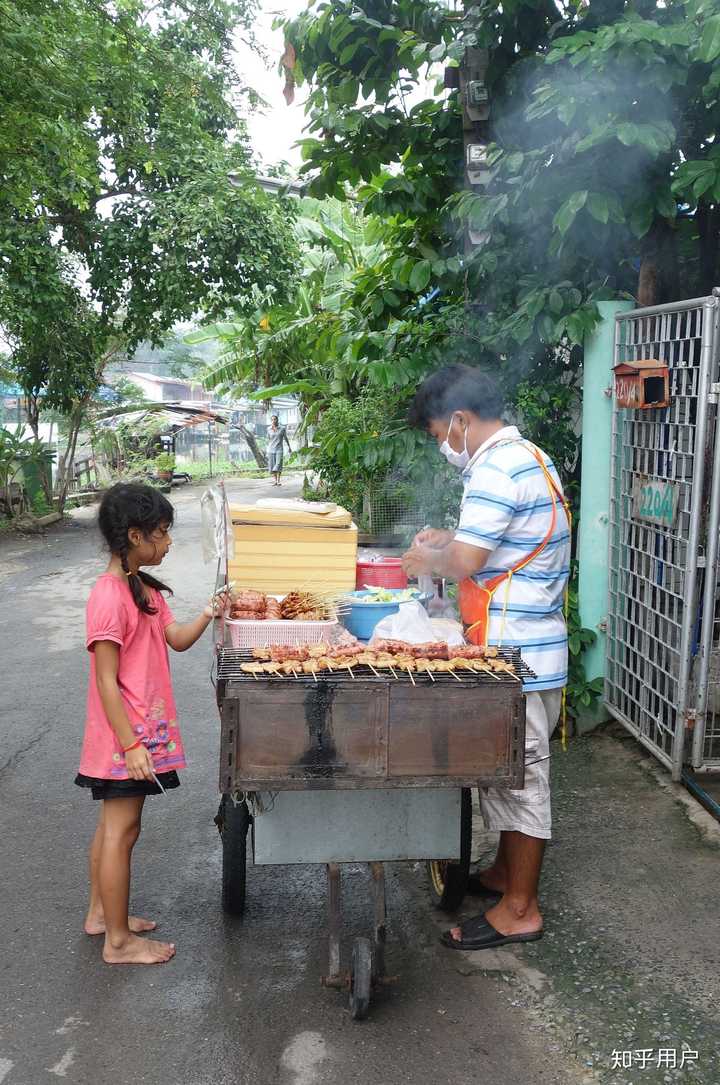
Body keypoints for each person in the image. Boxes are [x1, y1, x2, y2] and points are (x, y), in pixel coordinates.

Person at [401, 365, 570, 952]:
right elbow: (496, 545)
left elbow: (471, 562)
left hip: (517, 653)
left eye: (438, 435)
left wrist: (429, 559)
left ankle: (520, 908)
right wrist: (444, 537)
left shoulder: (497, 466)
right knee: (508, 767)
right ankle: (502, 875)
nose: (443, 447)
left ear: (459, 421)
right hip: (532, 646)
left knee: (520, 776)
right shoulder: (529, 456)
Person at [75, 483, 226, 965]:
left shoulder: (143, 590)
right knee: (122, 830)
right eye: (161, 533)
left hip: (138, 735)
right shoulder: (109, 596)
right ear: (134, 536)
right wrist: (130, 743)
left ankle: (102, 914)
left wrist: (208, 612)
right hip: (127, 739)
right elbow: (105, 680)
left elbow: (176, 640)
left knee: (113, 828)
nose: (167, 541)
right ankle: (118, 943)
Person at [267, 414, 292, 486]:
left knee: (278, 464)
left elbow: (286, 438)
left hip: (279, 449)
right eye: (272, 419)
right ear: (271, 421)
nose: (273, 421)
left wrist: (289, 447)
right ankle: (276, 481)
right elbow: (269, 439)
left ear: (277, 420)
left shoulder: (282, 428)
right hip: (271, 449)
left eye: (275, 419)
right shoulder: (268, 429)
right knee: (272, 465)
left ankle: (278, 480)